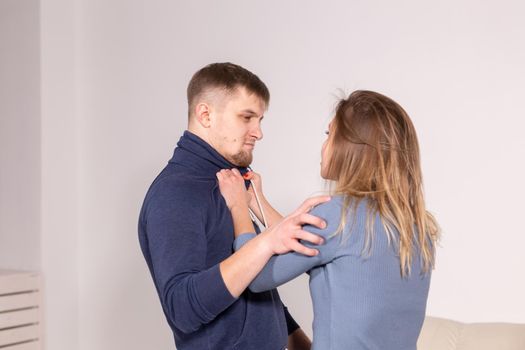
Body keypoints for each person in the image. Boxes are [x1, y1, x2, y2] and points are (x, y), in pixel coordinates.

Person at [217, 90, 440, 350]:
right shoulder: (418, 228)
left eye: (329, 134)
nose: (324, 146)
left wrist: (238, 207)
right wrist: (256, 202)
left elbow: (255, 276)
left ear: (349, 147)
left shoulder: (339, 215)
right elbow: (303, 243)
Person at [138, 62, 330, 350]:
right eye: (246, 117)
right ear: (205, 115)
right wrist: (265, 243)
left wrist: (301, 344)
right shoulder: (175, 193)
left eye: (260, 120)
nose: (258, 132)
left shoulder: (229, 183)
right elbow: (182, 308)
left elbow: (252, 289)